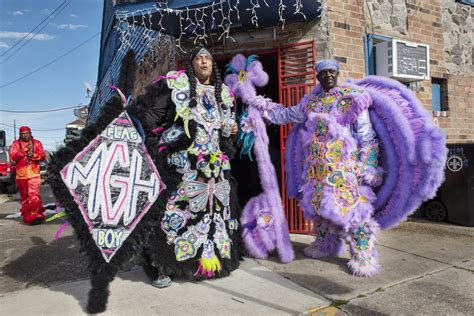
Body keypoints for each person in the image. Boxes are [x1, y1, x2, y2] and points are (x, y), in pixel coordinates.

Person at [239, 59, 384, 277]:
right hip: (316, 169)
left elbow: (367, 136)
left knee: (352, 209)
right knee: (319, 209)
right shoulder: (310, 102)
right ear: (318, 77)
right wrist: (262, 105)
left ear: (337, 73)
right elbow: (286, 115)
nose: (328, 76)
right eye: (324, 72)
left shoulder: (351, 100)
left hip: (344, 168)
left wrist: (369, 165)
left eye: (332, 72)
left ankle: (363, 252)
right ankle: (326, 245)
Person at [130, 46, 242, 287]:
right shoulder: (176, 86)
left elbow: (226, 129)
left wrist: (232, 130)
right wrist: (131, 122)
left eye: (208, 58)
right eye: (199, 58)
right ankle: (162, 265)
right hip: (181, 166)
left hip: (213, 169)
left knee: (211, 217)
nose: (204, 61)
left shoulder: (224, 93)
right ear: (191, 64)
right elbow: (149, 116)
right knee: (174, 212)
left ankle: (202, 263)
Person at [9, 126, 46, 225]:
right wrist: (25, 151)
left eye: (27, 133)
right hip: (21, 175)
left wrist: (33, 155)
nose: (25, 135)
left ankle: (36, 215)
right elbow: (13, 156)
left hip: (34, 174)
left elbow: (42, 155)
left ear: (30, 133)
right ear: (20, 135)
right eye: (23, 133)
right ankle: (27, 216)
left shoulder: (37, 143)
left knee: (34, 196)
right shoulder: (15, 144)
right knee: (25, 197)